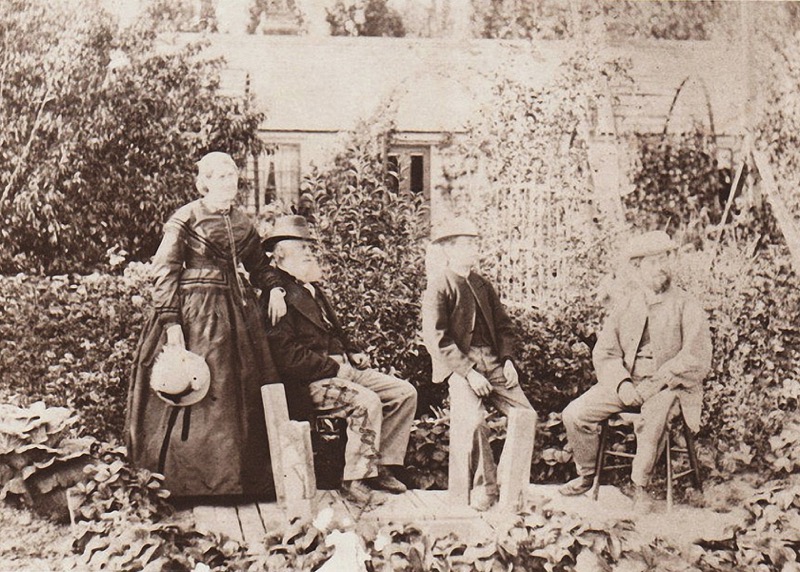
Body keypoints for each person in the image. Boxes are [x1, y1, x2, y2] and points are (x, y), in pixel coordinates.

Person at [127, 152, 283, 499]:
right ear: (204, 183)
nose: (230, 182)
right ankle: (185, 485)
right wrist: (172, 325)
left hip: (237, 315)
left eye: (233, 176)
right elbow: (164, 270)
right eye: (222, 176)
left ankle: (233, 482)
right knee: (193, 385)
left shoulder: (244, 222)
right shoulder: (186, 217)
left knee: (236, 390)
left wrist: (275, 289)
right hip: (193, 313)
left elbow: (258, 266)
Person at [263, 215, 418, 506]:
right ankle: (354, 479)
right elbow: (288, 358)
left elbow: (331, 329)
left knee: (404, 393)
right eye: (302, 247)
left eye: (311, 246)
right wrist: (335, 367)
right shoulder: (278, 297)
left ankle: (381, 465)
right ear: (281, 254)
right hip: (311, 381)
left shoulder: (310, 288)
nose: (310, 252)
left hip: (340, 370)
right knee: (366, 401)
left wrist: (352, 349)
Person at [559, 230, 712, 508]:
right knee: (574, 414)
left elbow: (696, 358)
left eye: (664, 259)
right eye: (652, 262)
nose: (660, 267)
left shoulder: (686, 304)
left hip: (671, 386)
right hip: (629, 382)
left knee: (652, 418)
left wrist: (656, 383)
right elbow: (605, 352)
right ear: (637, 267)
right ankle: (588, 473)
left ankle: (641, 486)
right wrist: (622, 385)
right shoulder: (626, 305)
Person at [421, 217, 537, 511]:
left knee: (526, 415)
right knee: (474, 423)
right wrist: (469, 373)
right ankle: (485, 488)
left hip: (495, 364)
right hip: (462, 368)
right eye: (467, 244)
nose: (474, 249)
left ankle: (512, 487)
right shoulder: (439, 286)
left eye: (475, 243)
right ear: (449, 249)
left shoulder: (483, 285)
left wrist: (508, 360)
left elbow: (505, 327)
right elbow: (438, 339)